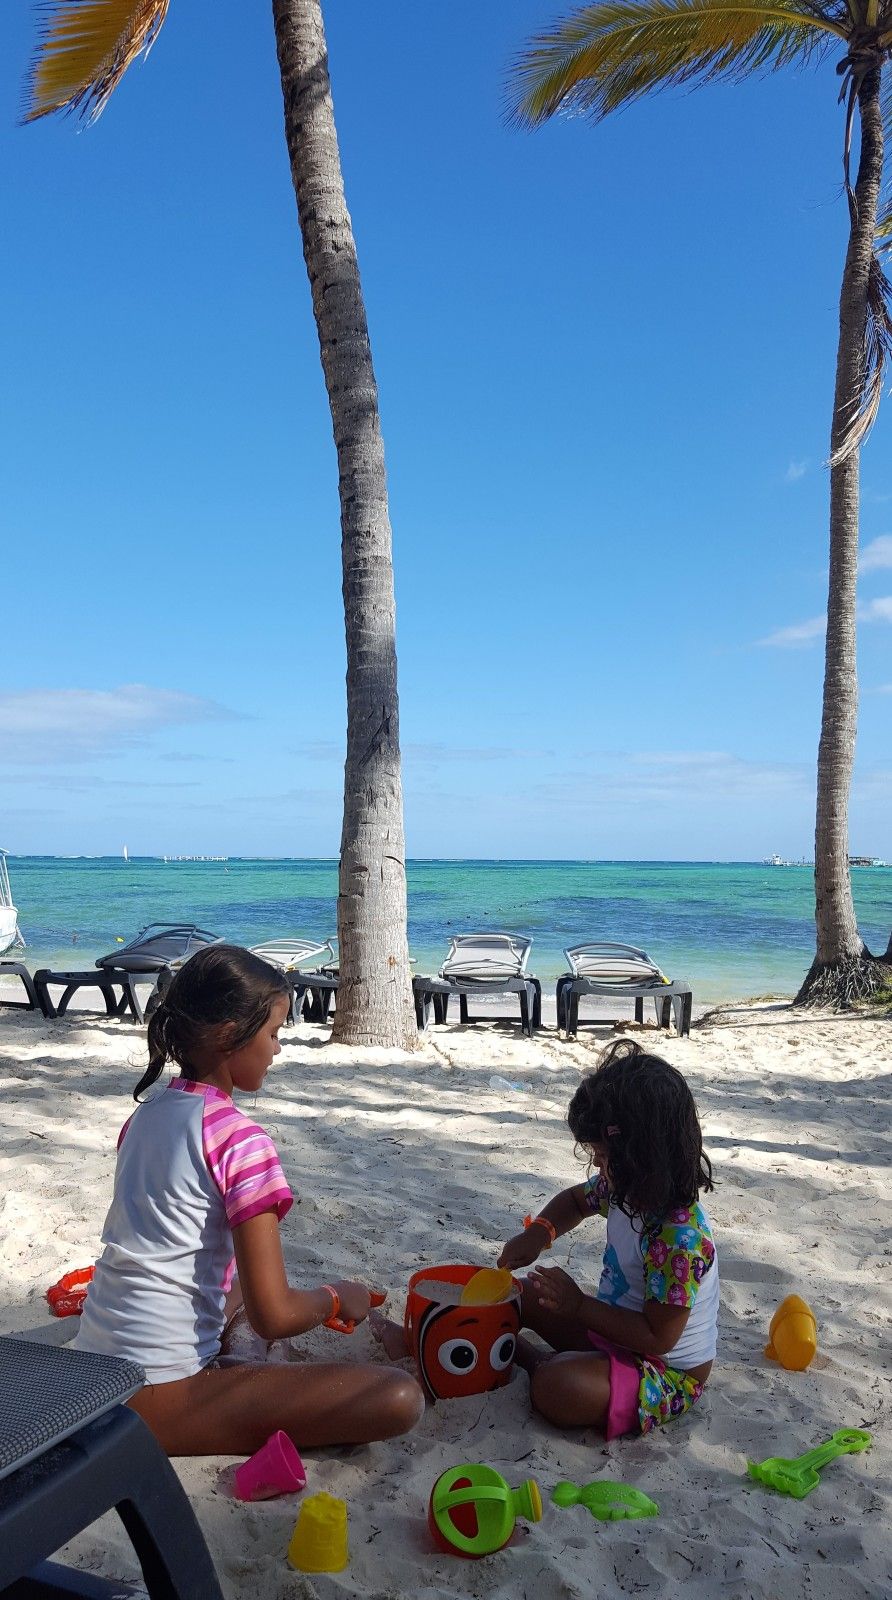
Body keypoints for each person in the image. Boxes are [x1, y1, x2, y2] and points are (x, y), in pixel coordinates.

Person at [74, 944, 424, 1456]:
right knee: (398, 1397)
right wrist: (334, 1297)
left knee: (237, 1285)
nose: (277, 1049)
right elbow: (274, 1317)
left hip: (91, 1368)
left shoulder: (146, 1116)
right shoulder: (241, 1141)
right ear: (228, 1035)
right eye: (273, 1033)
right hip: (151, 1396)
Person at [498, 1039, 719, 1439]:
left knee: (557, 1387)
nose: (598, 1168)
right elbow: (575, 1202)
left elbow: (658, 1337)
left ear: (642, 1159)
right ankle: (545, 1359)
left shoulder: (679, 1241)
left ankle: (531, 1361)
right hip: (611, 1334)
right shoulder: (624, 1189)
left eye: (603, 1158)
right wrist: (539, 1232)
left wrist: (579, 1306)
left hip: (663, 1371)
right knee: (521, 1293)